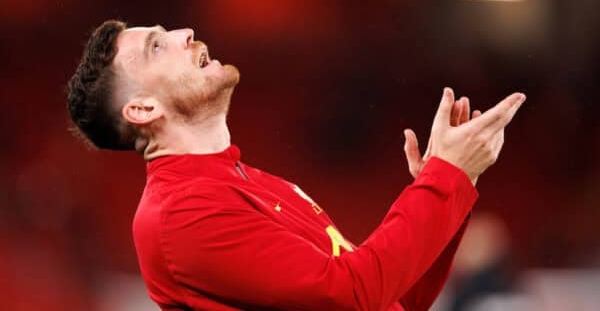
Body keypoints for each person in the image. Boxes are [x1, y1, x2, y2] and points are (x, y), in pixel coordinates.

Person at [66, 20, 526, 311]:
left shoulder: (248, 181)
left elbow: (392, 299)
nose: (185, 34)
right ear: (143, 110)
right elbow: (352, 295)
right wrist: (445, 178)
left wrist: (449, 180)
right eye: (156, 47)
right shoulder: (181, 215)